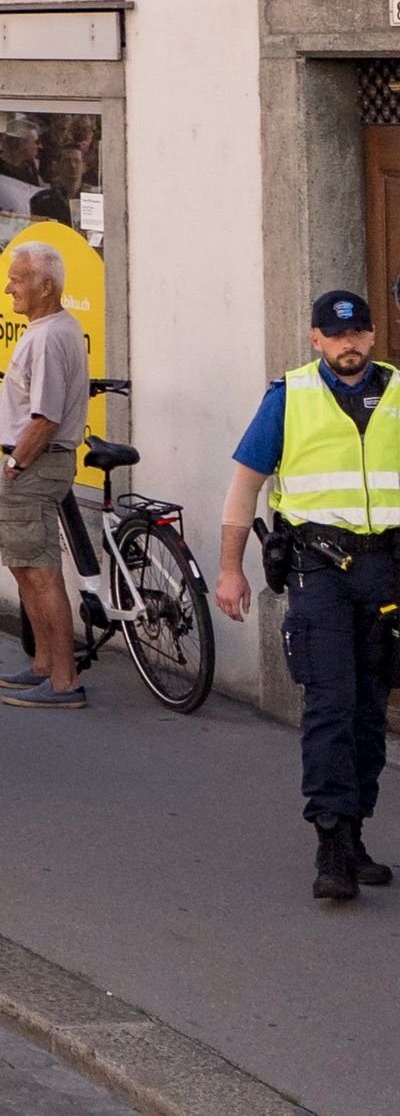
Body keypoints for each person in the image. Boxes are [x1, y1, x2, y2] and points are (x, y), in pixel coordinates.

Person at [215, 288, 400, 901]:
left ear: (372, 337)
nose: (349, 344)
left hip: (386, 573)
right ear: (316, 338)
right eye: (335, 334)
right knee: (330, 705)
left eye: (358, 334)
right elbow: (243, 490)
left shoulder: (397, 390)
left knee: (372, 711)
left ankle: (354, 831)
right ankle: (330, 844)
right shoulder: (289, 396)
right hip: (319, 570)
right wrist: (230, 570)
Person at [0, 241, 93, 708]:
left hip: (33, 462)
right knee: (25, 565)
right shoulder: (49, 329)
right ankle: (44, 666)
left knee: (41, 570)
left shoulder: (50, 336)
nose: (9, 286)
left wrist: (16, 463)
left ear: (45, 285)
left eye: (17, 279)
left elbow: (45, 416)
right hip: (31, 463)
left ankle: (64, 680)